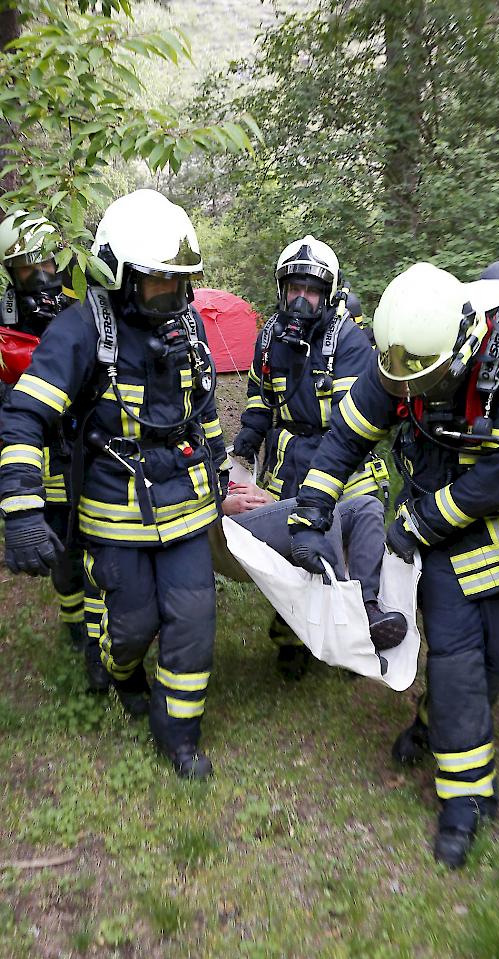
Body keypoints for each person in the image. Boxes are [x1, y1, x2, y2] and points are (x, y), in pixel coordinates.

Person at [287, 262, 499, 867]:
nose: (410, 398)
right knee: (458, 659)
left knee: (493, 666)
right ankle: (465, 800)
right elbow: (345, 438)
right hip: (444, 542)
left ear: (464, 347)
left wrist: (415, 524)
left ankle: (431, 725)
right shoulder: (401, 361)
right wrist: (311, 510)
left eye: (424, 386)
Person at [0, 189, 228, 779]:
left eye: (180, 284)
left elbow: (200, 406)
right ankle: (123, 670)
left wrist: (219, 466)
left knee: (193, 620)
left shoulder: (188, 320)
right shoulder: (81, 329)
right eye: (159, 284)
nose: (173, 298)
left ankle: (178, 735)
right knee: (129, 626)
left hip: (185, 503)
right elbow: (25, 415)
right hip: (115, 507)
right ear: (120, 277)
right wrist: (23, 510)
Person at [233, 235, 397, 678]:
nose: (301, 298)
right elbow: (259, 395)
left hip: (344, 456)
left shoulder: (349, 342)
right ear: (282, 289)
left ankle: (361, 628)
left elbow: (352, 427)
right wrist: (249, 437)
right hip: (289, 454)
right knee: (293, 550)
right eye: (294, 288)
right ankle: (291, 639)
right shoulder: (269, 339)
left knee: (353, 534)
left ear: (328, 293)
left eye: (311, 290)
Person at [0, 212, 104, 684]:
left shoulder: (78, 312)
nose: (40, 275)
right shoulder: (3, 323)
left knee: (94, 540)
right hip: (32, 450)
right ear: (10, 273)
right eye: (26, 267)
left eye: (46, 262)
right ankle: (72, 617)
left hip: (80, 443)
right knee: (61, 547)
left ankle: (100, 630)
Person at [220, 480, 404, 658]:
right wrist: (222, 504)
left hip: (249, 505)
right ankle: (341, 614)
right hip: (219, 524)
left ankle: (368, 607)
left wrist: (266, 499)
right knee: (315, 510)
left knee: (367, 506)